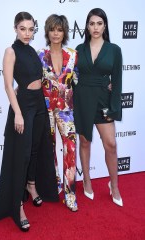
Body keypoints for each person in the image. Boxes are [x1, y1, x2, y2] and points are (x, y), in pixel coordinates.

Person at [0, 12, 58, 232]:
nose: (27, 33)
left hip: (39, 103)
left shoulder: (31, 51)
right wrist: (18, 113)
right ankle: (17, 204)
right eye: (23, 29)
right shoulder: (11, 51)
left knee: (37, 148)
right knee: (24, 153)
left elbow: (31, 79)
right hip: (24, 107)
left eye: (31, 29)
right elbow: (8, 85)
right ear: (15, 28)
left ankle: (31, 186)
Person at [74, 8, 123, 206]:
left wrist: (114, 108)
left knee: (110, 144)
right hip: (83, 99)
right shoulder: (78, 49)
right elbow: (71, 77)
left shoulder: (114, 50)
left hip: (104, 100)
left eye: (99, 23)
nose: (95, 27)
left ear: (105, 26)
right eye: (92, 23)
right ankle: (86, 179)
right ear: (87, 26)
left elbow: (117, 81)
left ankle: (114, 185)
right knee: (84, 142)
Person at [37, 14, 78, 211]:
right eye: (52, 29)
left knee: (70, 148)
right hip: (45, 110)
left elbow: (80, 81)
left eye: (59, 30)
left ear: (64, 32)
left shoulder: (73, 54)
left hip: (66, 110)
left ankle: (70, 195)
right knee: (49, 149)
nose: (56, 33)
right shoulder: (39, 55)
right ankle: (54, 186)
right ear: (47, 31)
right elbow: (33, 80)